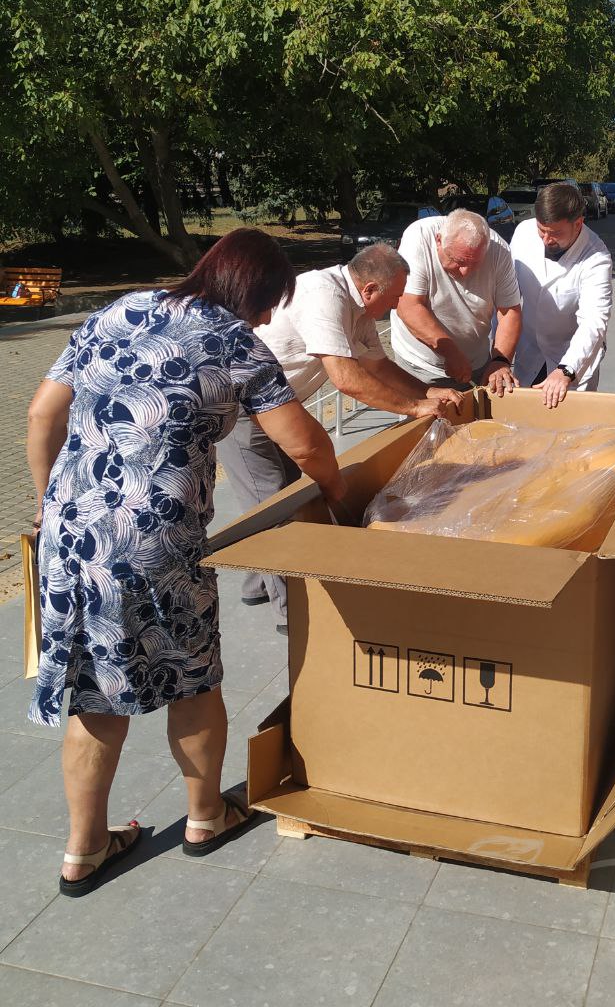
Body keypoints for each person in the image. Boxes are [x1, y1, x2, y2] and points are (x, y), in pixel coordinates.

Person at [25, 229, 348, 896]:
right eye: (268, 306)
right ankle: (206, 816)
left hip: (71, 534)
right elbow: (307, 444)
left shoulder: (116, 310)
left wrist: (46, 502)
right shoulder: (234, 340)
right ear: (254, 293)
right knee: (192, 678)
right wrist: (342, 499)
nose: (265, 320)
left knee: (94, 694)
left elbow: (41, 412)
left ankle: (84, 851)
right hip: (157, 540)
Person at [219, 244, 462, 627]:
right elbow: (347, 380)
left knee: (281, 493)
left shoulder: (361, 309)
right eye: (395, 297)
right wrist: (414, 409)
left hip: (281, 405)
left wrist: (427, 393)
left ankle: (257, 585)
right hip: (247, 412)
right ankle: (293, 615)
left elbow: (379, 367)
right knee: (276, 506)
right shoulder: (324, 296)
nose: (398, 306)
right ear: (369, 289)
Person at [390, 208, 522, 393]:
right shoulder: (418, 237)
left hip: (477, 363)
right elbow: (408, 306)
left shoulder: (499, 251)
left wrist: (500, 361)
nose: (465, 272)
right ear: (438, 241)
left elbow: (509, 312)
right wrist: (450, 352)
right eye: (458, 261)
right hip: (421, 366)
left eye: (475, 263)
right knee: (427, 421)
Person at [510, 183, 613, 406]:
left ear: (578, 224)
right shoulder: (523, 233)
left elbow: (594, 321)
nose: (546, 240)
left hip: (570, 358)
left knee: (569, 429)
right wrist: (499, 354)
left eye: (555, 233)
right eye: (542, 230)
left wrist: (567, 369)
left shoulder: (596, 258)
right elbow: (506, 293)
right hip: (528, 351)